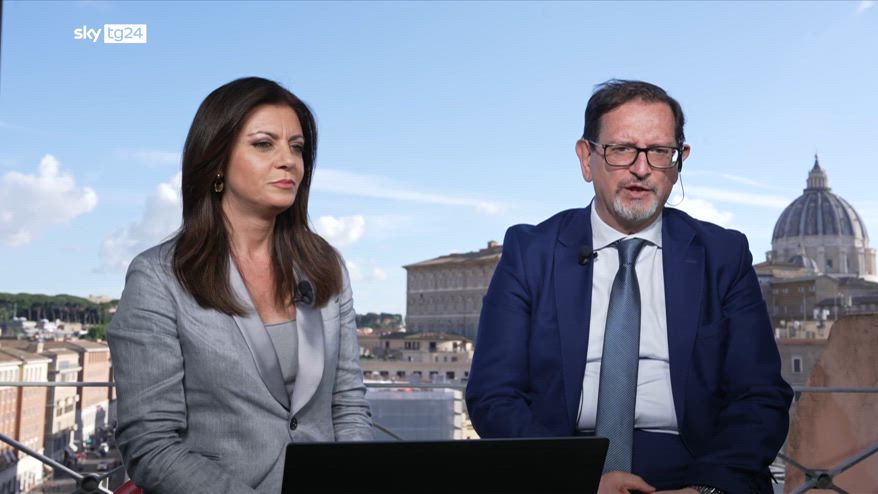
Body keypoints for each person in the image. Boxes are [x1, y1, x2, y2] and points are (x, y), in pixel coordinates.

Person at [465, 80, 792, 494]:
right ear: (586, 159)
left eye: (659, 151)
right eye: (621, 149)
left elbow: (760, 397)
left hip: (698, 468)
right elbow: (494, 396)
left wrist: (705, 489)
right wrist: (578, 481)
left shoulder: (723, 255)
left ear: (679, 162)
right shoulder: (530, 252)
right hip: (560, 466)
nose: (641, 168)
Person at [108, 77, 373, 494]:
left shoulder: (327, 265)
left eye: (297, 147)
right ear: (216, 160)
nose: (288, 161)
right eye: (264, 144)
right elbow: (151, 445)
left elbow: (349, 406)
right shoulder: (157, 276)